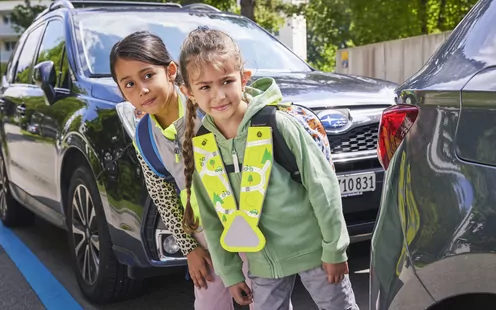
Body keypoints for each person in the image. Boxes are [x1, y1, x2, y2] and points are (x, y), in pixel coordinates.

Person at [179, 27, 360, 310]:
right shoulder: (203, 147)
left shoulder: (278, 124)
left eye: (226, 81)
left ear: (243, 78)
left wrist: (334, 250)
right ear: (188, 92)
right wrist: (230, 273)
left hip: (314, 251)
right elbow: (212, 219)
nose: (219, 95)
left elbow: (322, 187)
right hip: (262, 262)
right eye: (205, 87)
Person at [108, 31, 253, 310]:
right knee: (209, 302)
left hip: (245, 225)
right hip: (205, 237)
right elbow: (162, 195)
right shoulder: (145, 137)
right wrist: (190, 249)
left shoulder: (210, 107)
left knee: (265, 296)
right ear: (121, 90)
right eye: (129, 84)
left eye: (148, 75)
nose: (142, 89)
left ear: (171, 71)